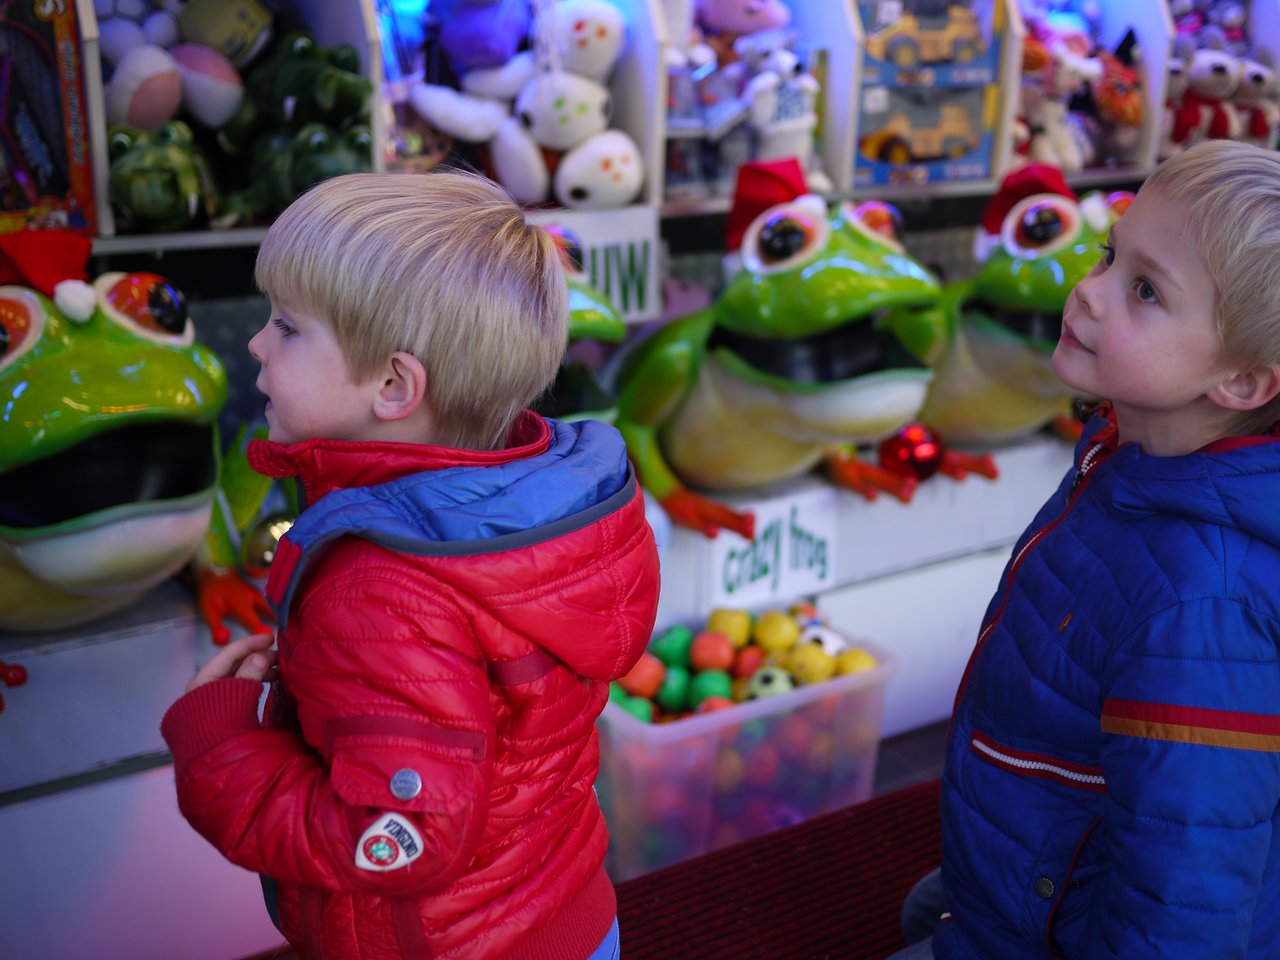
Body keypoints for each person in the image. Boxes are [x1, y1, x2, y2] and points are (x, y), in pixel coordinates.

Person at [161, 169, 660, 960]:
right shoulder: (515, 507)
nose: (255, 343)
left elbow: (396, 839)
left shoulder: (380, 590)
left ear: (394, 384)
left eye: (287, 327)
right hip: (560, 916)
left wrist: (218, 741)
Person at [892, 138, 1280, 959]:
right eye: (1110, 256)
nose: (1090, 292)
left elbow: (1187, 895)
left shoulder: (1199, 602)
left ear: (1242, 382)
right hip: (1048, 851)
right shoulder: (1131, 456)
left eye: (1144, 290)